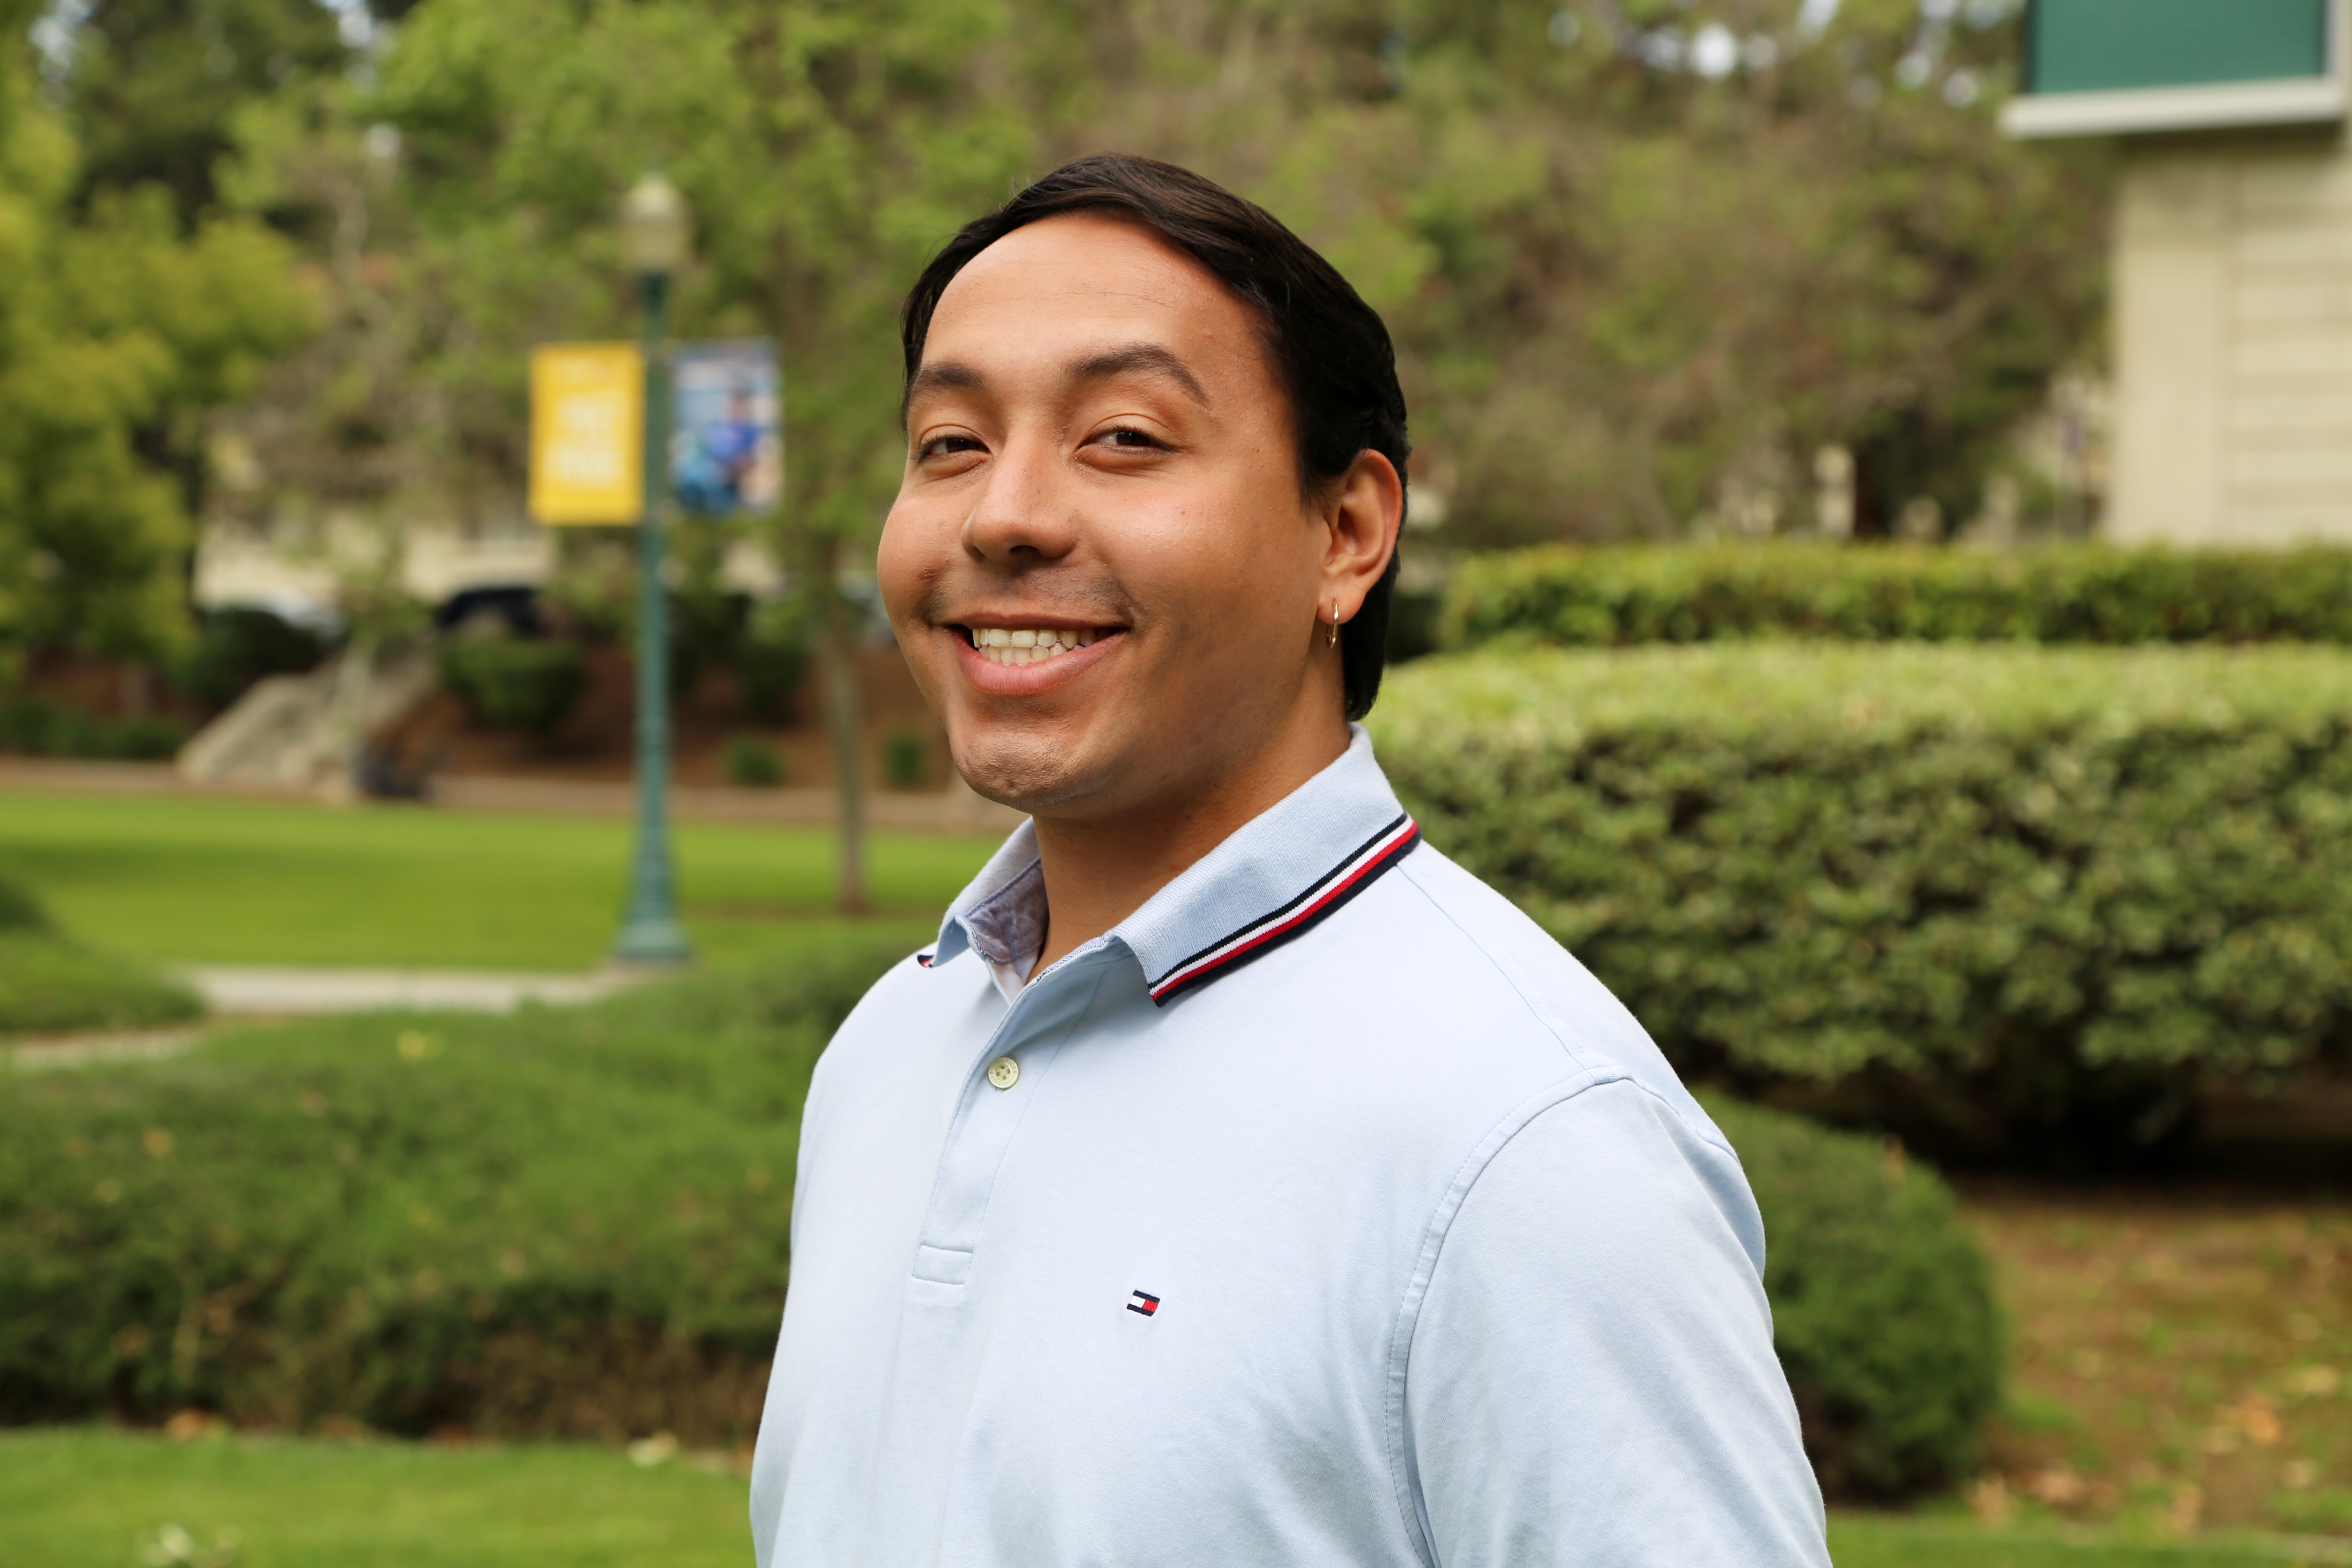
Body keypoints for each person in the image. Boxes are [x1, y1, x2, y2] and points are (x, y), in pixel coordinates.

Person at [748, 153, 1830, 1567]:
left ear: (1349, 532)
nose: (1003, 515)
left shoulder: (1524, 1143)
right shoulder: (893, 1051)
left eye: (1124, 437)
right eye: (950, 442)